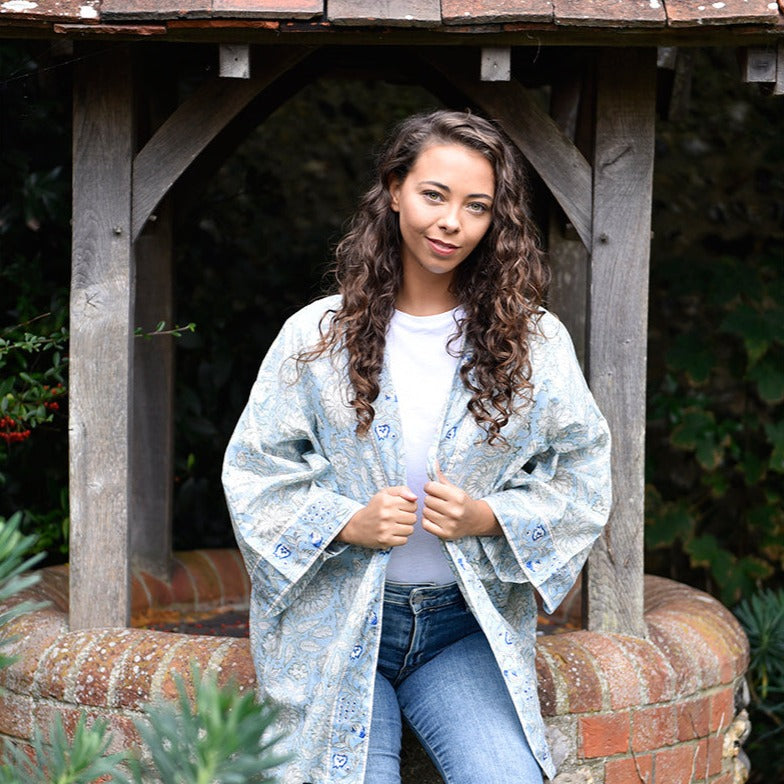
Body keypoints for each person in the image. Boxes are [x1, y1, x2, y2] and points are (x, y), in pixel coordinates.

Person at [222, 109, 612, 784]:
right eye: (434, 194)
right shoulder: (317, 336)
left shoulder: (534, 343)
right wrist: (349, 521)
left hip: (463, 631)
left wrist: (488, 517)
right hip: (338, 625)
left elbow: (582, 473)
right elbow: (255, 471)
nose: (451, 222)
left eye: (477, 206)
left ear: (496, 220)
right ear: (395, 188)